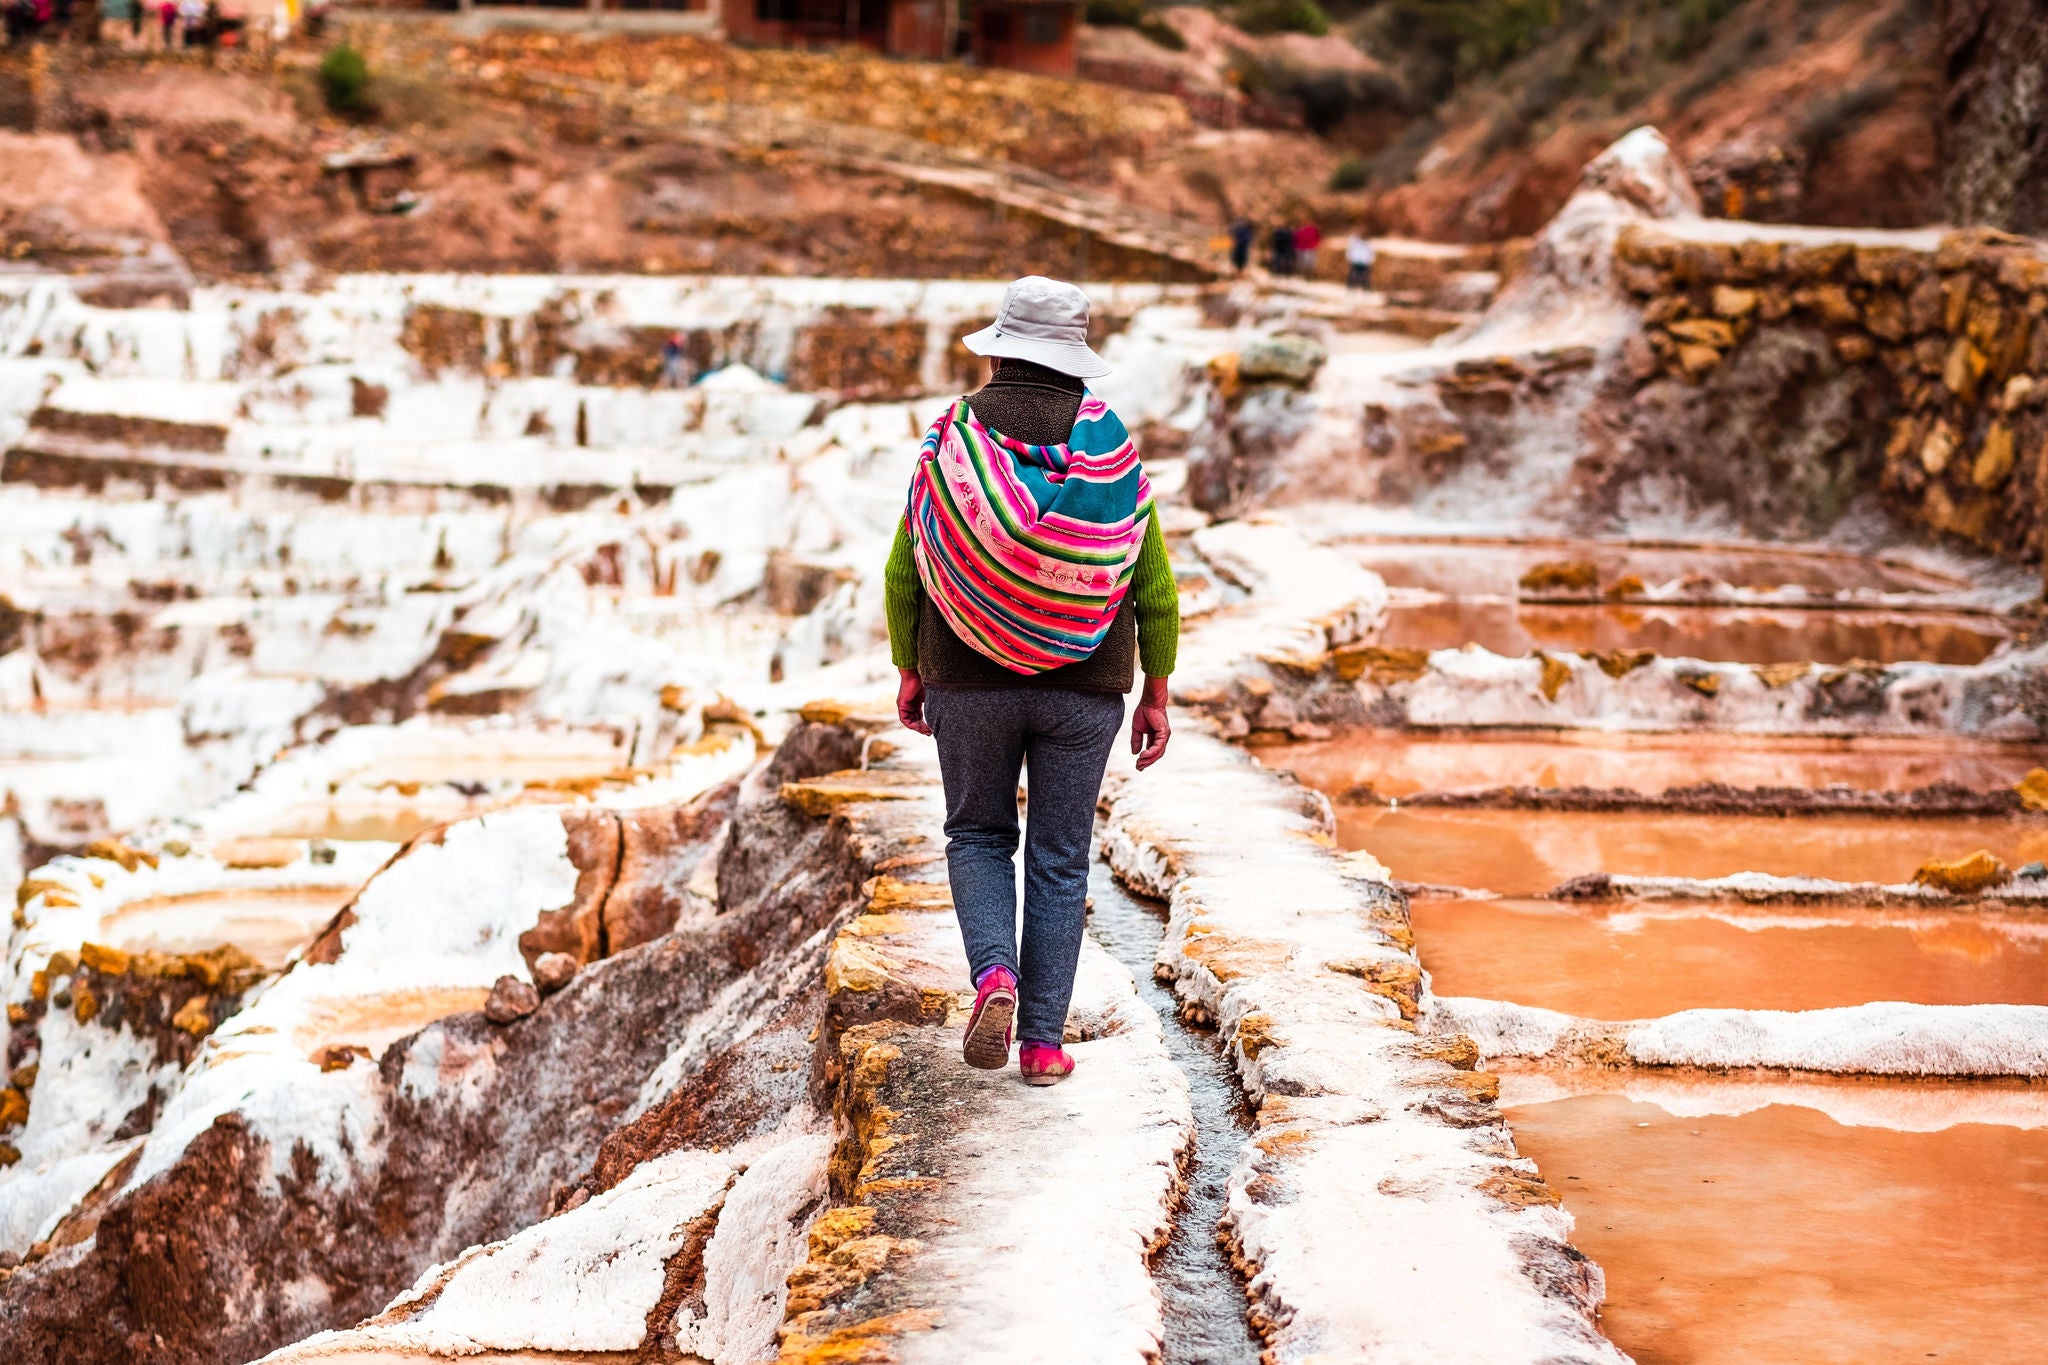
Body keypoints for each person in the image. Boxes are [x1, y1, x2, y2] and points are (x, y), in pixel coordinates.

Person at [885, 276, 1178, 1089]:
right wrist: (1156, 687)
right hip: (1084, 687)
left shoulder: (953, 437)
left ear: (1002, 348)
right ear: (1074, 356)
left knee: (978, 834)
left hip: (966, 679)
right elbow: (1152, 581)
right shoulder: (1110, 447)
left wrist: (910, 667)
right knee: (1059, 854)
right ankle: (1043, 1045)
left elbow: (904, 567)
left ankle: (994, 979)